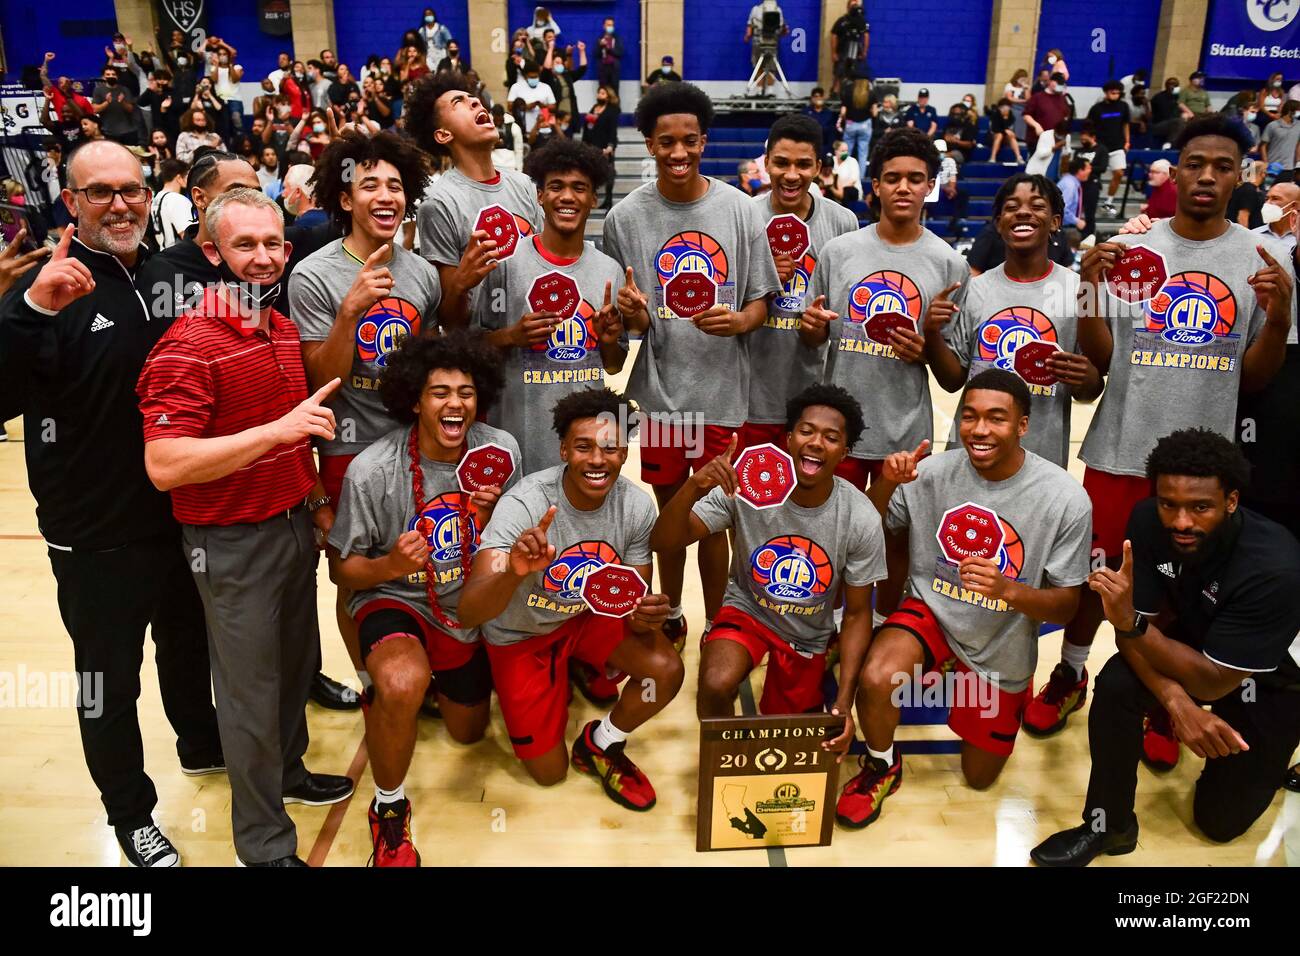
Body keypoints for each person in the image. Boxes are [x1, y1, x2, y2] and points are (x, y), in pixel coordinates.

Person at [1024, 116, 1295, 742]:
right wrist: (1090, 287)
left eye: (1222, 166)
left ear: (1242, 174)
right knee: (1098, 577)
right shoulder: (1134, 249)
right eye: (1194, 163)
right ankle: (1069, 672)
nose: (1206, 176)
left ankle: (1159, 700)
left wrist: (1278, 320)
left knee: (1180, 587)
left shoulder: (1264, 258)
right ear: (1175, 172)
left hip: (1203, 466)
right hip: (1121, 446)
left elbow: (1255, 380)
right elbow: (1104, 357)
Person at [0, 140, 223, 868]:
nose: (120, 204)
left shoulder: (164, 277)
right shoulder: (47, 290)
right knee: (108, 681)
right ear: (72, 202)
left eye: (131, 189)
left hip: (178, 513)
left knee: (187, 645)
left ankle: (200, 741)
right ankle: (130, 814)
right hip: (93, 533)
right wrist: (29, 312)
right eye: (100, 192)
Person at [137, 187, 355, 867]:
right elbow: (165, 463)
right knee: (250, 698)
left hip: (292, 528)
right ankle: (262, 845)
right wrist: (278, 433)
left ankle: (290, 775)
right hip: (230, 543)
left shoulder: (280, 328)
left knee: (293, 673)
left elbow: (295, 437)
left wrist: (315, 497)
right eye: (244, 245)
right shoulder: (188, 343)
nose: (262, 258)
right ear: (212, 253)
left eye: (272, 245)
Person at [835, 368, 1091, 828]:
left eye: (996, 418)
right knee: (878, 676)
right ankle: (880, 763)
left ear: (1023, 425)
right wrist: (889, 483)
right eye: (969, 416)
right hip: (931, 610)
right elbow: (862, 532)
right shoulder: (929, 472)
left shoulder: (1066, 498)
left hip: (1002, 636)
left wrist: (1008, 589)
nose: (979, 429)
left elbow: (1068, 605)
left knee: (978, 778)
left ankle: (979, 677)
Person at [1031, 429, 1300, 865]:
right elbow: (1129, 629)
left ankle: (1275, 752)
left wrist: (1140, 635)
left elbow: (1213, 683)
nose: (1181, 522)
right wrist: (1176, 702)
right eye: (1168, 503)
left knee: (1218, 822)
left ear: (1231, 501)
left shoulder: (1274, 567)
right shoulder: (1146, 523)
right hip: (1197, 646)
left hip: (1269, 678)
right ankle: (1109, 826)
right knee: (1118, 683)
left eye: (1200, 507)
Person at [329, 332, 519, 866]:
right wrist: (392, 563)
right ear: (414, 399)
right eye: (439, 392)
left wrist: (494, 519)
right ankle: (389, 809)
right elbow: (342, 569)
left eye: (465, 392)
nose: (454, 403)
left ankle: (413, 696)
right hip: (393, 597)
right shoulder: (372, 470)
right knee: (401, 682)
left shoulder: (501, 453)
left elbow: (513, 548)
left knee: (469, 733)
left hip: (464, 604)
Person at [602, 81, 781, 645]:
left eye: (689, 141)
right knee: (670, 514)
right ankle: (672, 611)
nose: (678, 153)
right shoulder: (625, 218)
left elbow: (760, 301)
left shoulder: (739, 210)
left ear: (704, 141)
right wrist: (631, 315)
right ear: (649, 145)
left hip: (725, 395)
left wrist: (741, 322)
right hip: (659, 397)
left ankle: (717, 619)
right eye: (665, 142)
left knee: (714, 520)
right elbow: (627, 322)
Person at [456, 387, 684, 807]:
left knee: (664, 670)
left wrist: (647, 616)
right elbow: (469, 611)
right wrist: (515, 573)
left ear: (624, 454)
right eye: (583, 447)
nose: (597, 459)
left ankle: (601, 742)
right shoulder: (524, 504)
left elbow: (633, 611)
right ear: (563, 449)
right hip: (519, 635)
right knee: (548, 774)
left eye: (610, 448)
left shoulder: (636, 507)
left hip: (583, 619)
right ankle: (560, 677)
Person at [288, 131, 440, 687]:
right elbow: (319, 379)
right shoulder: (313, 275)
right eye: (368, 183)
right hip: (347, 451)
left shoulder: (421, 274)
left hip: (411, 447)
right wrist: (350, 311)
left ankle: (413, 665)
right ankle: (370, 679)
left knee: (413, 562)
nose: (384, 195)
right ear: (345, 199)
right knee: (351, 576)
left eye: (395, 186)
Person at [653, 384, 885, 732]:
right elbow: (664, 542)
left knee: (787, 734)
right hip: (748, 610)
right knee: (715, 682)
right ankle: (725, 765)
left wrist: (844, 699)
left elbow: (855, 614)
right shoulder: (746, 484)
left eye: (831, 437)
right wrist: (693, 487)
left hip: (807, 633)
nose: (816, 442)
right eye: (806, 431)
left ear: (845, 452)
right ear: (788, 439)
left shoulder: (860, 516)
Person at [801, 128, 966, 497]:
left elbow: (952, 377)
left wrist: (926, 348)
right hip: (839, 429)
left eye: (915, 179)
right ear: (875, 185)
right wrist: (809, 325)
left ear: (930, 186)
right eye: (892, 178)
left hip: (905, 433)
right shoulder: (838, 252)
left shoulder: (949, 264)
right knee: (839, 538)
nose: (903, 187)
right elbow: (814, 337)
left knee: (896, 540)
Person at [472, 139, 626, 475]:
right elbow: (473, 348)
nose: (567, 197)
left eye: (579, 188)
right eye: (556, 186)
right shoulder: (506, 265)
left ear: (594, 198)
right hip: (517, 441)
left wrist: (609, 340)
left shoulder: (609, 271)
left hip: (584, 451)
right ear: (540, 196)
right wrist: (511, 336)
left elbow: (614, 366)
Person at [926, 173, 1101, 467]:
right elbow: (953, 381)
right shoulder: (975, 290)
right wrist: (931, 333)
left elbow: (1089, 390)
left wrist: (1088, 378)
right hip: (969, 458)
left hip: (1041, 463)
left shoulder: (1078, 292)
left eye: (1036, 206)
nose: (1022, 212)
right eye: (1011, 207)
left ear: (1056, 222)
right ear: (998, 223)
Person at [745, 115, 859, 454]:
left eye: (803, 165)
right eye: (781, 163)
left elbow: (845, 308)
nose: (791, 175)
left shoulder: (843, 222)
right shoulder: (744, 216)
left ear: (818, 167)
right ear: (766, 163)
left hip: (815, 395)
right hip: (752, 394)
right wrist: (762, 279)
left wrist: (820, 323)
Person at [407, 73, 545, 326]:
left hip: (537, 349)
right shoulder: (438, 203)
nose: (476, 103)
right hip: (483, 356)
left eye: (476, 99)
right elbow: (450, 322)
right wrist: (461, 282)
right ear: (443, 135)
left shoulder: (524, 185)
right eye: (459, 102)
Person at [1087, 81, 1131, 217]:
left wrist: (1127, 142)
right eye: (1113, 92)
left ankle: (1109, 201)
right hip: (1100, 146)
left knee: (1119, 173)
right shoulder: (1097, 108)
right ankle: (1088, 201)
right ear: (1106, 92)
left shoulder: (1123, 106)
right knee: (1092, 175)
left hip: (1117, 145)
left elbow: (1125, 124)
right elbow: (1088, 125)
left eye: (1118, 93)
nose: (1115, 95)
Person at [581, 85, 620, 209]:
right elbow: (587, 127)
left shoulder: (612, 110)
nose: (599, 95)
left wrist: (610, 146)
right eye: (599, 93)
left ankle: (608, 200)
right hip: (591, 146)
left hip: (604, 147)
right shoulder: (594, 108)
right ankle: (591, 199)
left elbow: (612, 130)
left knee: (609, 174)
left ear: (608, 96)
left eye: (602, 93)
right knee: (590, 175)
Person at [838, 75, 875, 184]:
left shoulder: (848, 92)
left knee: (846, 151)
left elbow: (843, 112)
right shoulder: (870, 93)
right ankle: (861, 179)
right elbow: (874, 112)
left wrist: (846, 120)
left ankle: (843, 175)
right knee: (862, 154)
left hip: (850, 124)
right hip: (865, 124)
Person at [149, 157, 192, 250]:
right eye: (187, 175)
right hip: (179, 255)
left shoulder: (157, 198)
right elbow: (187, 235)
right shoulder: (176, 199)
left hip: (164, 253)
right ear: (179, 177)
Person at [91, 65, 138, 146]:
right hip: (109, 132)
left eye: (113, 74)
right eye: (108, 74)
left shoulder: (125, 89)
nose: (111, 76)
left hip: (128, 131)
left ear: (117, 76)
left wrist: (122, 102)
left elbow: (131, 109)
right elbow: (95, 109)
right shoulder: (98, 90)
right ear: (103, 76)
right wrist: (106, 102)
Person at [829, 0, 869, 95]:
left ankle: (854, 94)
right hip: (842, 50)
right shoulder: (842, 21)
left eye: (856, 5)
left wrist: (864, 51)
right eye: (852, 5)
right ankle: (835, 92)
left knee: (855, 72)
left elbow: (866, 36)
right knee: (839, 71)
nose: (854, 8)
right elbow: (834, 36)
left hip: (856, 50)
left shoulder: (862, 21)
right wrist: (834, 52)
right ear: (848, 7)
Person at [1261, 100, 1300, 183]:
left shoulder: (1299, 125)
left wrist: (1298, 164)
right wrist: (1265, 163)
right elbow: (1263, 146)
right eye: (1298, 110)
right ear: (1290, 111)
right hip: (1273, 167)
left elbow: (1298, 146)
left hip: (1289, 168)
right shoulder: (1272, 126)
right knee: (1269, 191)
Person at [1055, 156, 1090, 244]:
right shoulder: (1070, 185)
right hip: (1064, 228)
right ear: (1080, 171)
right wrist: (1076, 221)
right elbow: (1063, 208)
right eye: (1088, 168)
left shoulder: (1070, 182)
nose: (1090, 171)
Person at [1149, 76, 1188, 147]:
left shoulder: (1178, 97)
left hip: (1175, 122)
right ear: (1166, 86)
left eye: (1176, 85)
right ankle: (1169, 144)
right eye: (1171, 84)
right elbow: (1164, 115)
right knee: (1178, 122)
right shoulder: (1159, 97)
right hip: (1159, 124)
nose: (1173, 87)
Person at [988, 99, 1022, 165]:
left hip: (1005, 138)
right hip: (994, 136)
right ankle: (992, 157)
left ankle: (1018, 157)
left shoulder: (1011, 116)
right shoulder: (995, 114)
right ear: (999, 108)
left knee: (1011, 136)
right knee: (1000, 135)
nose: (1005, 109)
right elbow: (994, 129)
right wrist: (1005, 130)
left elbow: (1011, 130)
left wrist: (1005, 119)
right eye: (1003, 107)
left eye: (1007, 107)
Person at [595, 17, 624, 89]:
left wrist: (608, 48)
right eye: (608, 25)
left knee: (614, 90)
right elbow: (596, 54)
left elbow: (620, 53)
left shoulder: (617, 38)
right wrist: (601, 46)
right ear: (604, 26)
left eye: (612, 25)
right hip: (603, 69)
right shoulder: (600, 39)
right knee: (603, 90)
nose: (610, 27)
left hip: (614, 68)